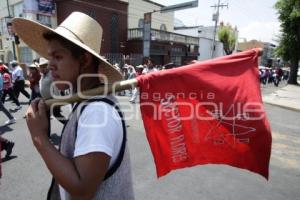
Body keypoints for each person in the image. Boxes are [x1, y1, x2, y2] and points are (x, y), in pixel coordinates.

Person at [13, 12, 134, 199]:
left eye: (58, 56)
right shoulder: (86, 101)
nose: (50, 65)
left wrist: (38, 136)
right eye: (49, 57)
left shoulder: (97, 111)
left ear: (84, 60)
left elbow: (82, 190)